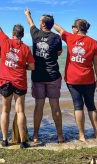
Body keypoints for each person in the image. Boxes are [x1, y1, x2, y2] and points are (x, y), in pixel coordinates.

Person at [0, 8, 35, 148]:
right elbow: (32, 67)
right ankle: (23, 141)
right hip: (19, 82)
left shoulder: (5, 41)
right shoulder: (26, 48)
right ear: (22, 35)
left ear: (13, 34)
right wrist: (22, 66)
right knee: (20, 111)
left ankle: (4, 140)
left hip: (6, 81)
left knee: (5, 111)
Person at [54, 19, 97, 142]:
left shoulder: (70, 38)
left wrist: (50, 21)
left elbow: (59, 29)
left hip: (72, 79)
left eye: (73, 26)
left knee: (78, 106)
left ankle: (81, 135)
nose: (71, 29)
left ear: (77, 28)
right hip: (89, 79)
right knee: (91, 106)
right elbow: (96, 64)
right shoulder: (94, 43)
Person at [24, 9, 64, 143]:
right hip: (53, 75)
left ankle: (35, 135)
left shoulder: (35, 34)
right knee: (55, 106)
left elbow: (30, 23)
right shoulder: (56, 37)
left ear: (42, 24)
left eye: (40, 21)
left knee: (38, 106)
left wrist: (27, 14)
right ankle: (60, 136)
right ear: (52, 25)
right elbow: (59, 53)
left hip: (38, 77)